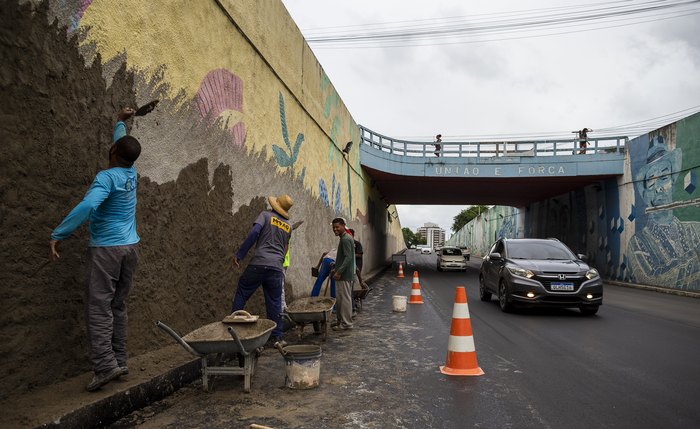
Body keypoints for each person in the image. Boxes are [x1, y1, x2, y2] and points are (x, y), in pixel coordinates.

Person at [49, 129, 142, 392]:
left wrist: (59, 233)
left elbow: (89, 206)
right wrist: (120, 124)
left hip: (106, 250)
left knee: (98, 307)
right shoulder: (131, 174)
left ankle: (104, 366)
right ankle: (120, 361)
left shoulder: (106, 177)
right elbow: (124, 147)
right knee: (117, 306)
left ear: (113, 152)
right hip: (130, 247)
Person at [625, 136, 700, 290]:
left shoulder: (696, 230)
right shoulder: (637, 243)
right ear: (645, 194)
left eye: (664, 178)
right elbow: (653, 278)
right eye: (651, 181)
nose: (659, 188)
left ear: (672, 184)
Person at [231, 194, 293, 343]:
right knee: (274, 302)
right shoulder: (289, 226)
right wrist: (279, 260)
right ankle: (277, 337)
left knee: (242, 292)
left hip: (259, 264)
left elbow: (253, 233)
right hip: (276, 268)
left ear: (275, 204)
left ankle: (233, 329)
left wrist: (240, 254)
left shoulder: (265, 216)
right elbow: (285, 247)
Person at [331, 217, 355, 330]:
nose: (335, 229)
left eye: (337, 227)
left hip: (344, 275)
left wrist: (339, 271)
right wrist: (336, 269)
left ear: (343, 226)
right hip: (343, 273)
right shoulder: (344, 238)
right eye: (333, 227)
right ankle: (340, 321)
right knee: (341, 299)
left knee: (344, 299)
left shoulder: (345, 239)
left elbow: (348, 258)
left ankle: (346, 324)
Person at [281, 220, 304, 310]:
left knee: (280, 287)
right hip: (282, 262)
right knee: (280, 287)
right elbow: (292, 227)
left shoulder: (282, 231)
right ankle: (283, 308)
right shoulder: (286, 229)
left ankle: (283, 308)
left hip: (281, 262)